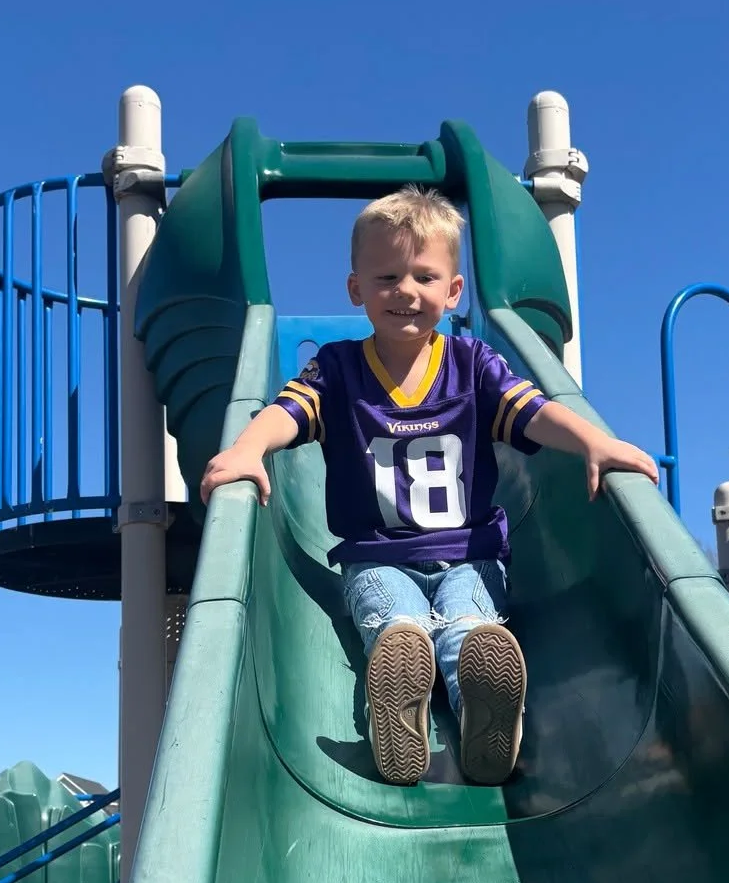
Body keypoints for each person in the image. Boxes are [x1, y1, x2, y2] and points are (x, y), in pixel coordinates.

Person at [200, 187, 659, 785]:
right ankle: (397, 709)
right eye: (386, 277)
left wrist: (593, 440)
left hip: (470, 553)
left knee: (472, 627)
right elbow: (287, 410)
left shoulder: (473, 365)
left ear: (453, 291)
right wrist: (246, 448)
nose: (406, 291)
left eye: (424, 275)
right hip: (377, 556)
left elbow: (533, 410)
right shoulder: (338, 369)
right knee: (393, 624)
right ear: (355, 289)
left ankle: (484, 722)